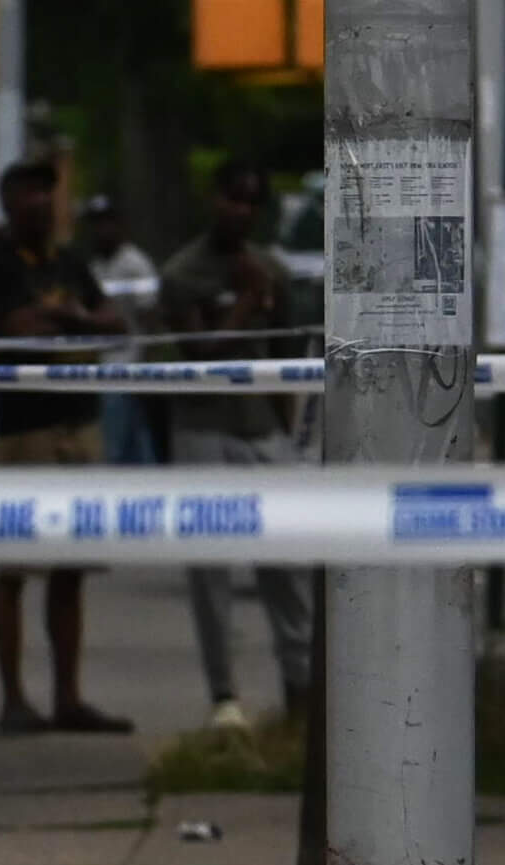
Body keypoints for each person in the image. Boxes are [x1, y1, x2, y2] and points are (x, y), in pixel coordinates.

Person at [0, 160, 133, 736]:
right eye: (28, 194)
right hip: (24, 428)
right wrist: (72, 320)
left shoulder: (68, 261)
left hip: (78, 423)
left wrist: (71, 317)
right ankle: (13, 699)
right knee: (13, 567)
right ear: (7, 202)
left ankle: (69, 697)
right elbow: (16, 327)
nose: (40, 203)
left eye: (47, 193)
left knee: (72, 568)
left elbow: (114, 323)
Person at [159, 160, 313, 731]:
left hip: (260, 430)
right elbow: (200, 356)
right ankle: (225, 698)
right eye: (233, 199)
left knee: (288, 565)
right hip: (203, 429)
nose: (241, 212)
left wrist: (284, 432)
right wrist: (247, 302)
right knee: (211, 571)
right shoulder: (183, 273)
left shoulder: (271, 268)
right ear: (215, 200)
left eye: (252, 202)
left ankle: (300, 692)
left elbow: (284, 361)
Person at [81, 193, 162, 469]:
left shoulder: (134, 263)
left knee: (116, 447)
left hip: (127, 366)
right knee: (132, 443)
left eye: (106, 221)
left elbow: (150, 316)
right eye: (95, 222)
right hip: (102, 366)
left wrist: (145, 363)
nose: (101, 229)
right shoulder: (93, 266)